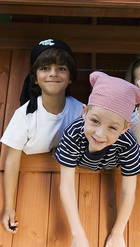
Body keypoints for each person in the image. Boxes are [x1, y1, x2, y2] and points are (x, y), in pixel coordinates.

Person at [54, 71, 140, 247]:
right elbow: (67, 185)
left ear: (125, 128)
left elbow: (128, 191)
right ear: (84, 112)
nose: (99, 133)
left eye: (113, 128)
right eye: (95, 121)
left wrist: (117, 232)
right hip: (81, 162)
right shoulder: (73, 133)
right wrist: (78, 234)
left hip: (111, 165)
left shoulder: (128, 143)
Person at [0, 38, 83, 233]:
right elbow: (12, 159)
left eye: (61, 68)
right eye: (45, 68)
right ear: (35, 77)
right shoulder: (25, 115)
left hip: (74, 195)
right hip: (32, 199)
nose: (53, 74)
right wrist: (9, 207)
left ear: (70, 77)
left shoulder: (81, 111)